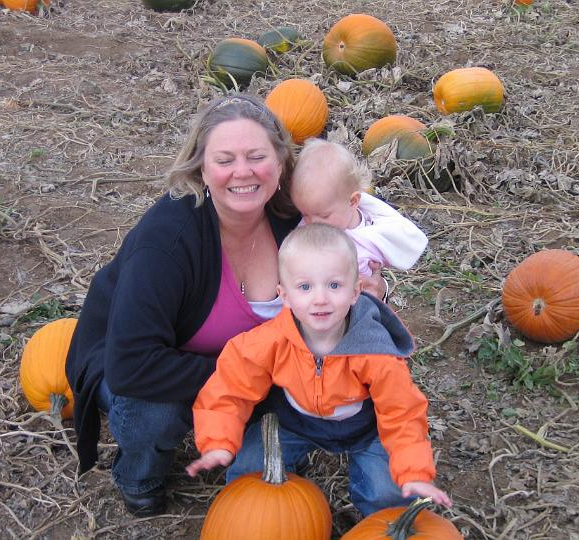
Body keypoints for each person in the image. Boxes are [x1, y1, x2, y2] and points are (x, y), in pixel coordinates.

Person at [64, 94, 303, 518]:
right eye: (225, 159)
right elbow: (131, 366)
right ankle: (140, 474)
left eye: (257, 156)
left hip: (243, 364)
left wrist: (372, 291)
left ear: (281, 161)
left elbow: (348, 270)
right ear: (202, 168)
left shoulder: (295, 220)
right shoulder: (168, 239)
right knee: (155, 410)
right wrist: (248, 378)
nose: (243, 172)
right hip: (137, 364)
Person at [186, 223, 452, 517]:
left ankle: (375, 519)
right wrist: (218, 441)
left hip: (366, 430)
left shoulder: (375, 351)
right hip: (294, 422)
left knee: (387, 494)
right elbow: (229, 387)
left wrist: (413, 471)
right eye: (305, 287)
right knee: (249, 471)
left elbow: (402, 412)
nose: (320, 298)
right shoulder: (269, 341)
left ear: (355, 292)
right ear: (284, 296)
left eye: (334, 285)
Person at [291, 138, 428, 278]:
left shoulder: (365, 244)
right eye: (305, 214)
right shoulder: (318, 220)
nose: (312, 224)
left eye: (324, 216)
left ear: (353, 202)